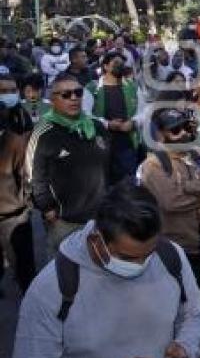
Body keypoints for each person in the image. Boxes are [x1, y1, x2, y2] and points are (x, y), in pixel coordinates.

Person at [13, 181, 200, 358]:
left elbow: (194, 314)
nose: (141, 265)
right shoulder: (50, 289)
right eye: (127, 258)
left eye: (149, 254)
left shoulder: (171, 255)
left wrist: (186, 348)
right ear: (96, 240)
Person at [140, 108, 200, 349]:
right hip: (176, 246)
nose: (185, 134)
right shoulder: (154, 165)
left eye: (187, 127)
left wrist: (187, 187)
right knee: (178, 300)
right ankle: (175, 345)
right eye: (176, 130)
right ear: (161, 135)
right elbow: (171, 202)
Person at [26, 73, 110, 257]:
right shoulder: (44, 132)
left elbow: (109, 166)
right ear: (53, 99)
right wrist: (47, 208)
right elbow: (34, 175)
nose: (73, 98)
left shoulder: (96, 127)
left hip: (101, 218)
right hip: (65, 222)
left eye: (78, 93)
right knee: (65, 276)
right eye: (65, 94)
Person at [86, 51, 139, 184]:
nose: (120, 65)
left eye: (122, 63)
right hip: (100, 146)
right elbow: (85, 115)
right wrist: (107, 124)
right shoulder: (92, 88)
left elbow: (143, 111)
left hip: (126, 145)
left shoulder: (132, 86)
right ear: (105, 66)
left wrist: (133, 122)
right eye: (116, 63)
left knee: (128, 185)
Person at [0, 104, 35, 294]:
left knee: (24, 268)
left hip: (13, 216)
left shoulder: (14, 142)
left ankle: (30, 300)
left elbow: (26, 176)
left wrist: (26, 205)